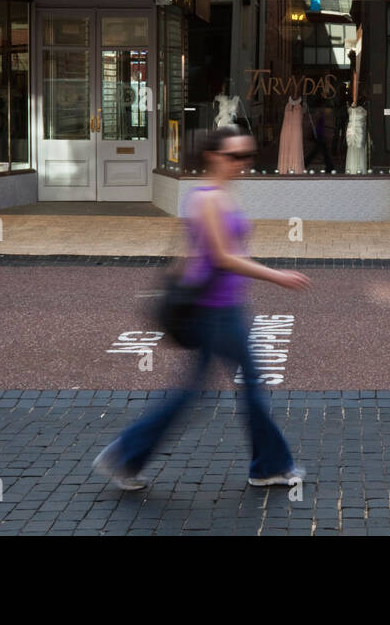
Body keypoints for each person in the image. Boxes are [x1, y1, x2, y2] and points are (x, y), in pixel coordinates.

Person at [93, 124, 311, 490]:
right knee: (247, 387)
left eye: (247, 156)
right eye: (235, 156)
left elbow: (198, 253)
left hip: (224, 306)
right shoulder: (206, 198)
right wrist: (277, 275)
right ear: (213, 156)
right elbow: (224, 257)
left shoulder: (221, 194)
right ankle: (268, 466)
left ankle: (127, 456)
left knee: (193, 392)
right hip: (215, 311)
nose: (242, 163)